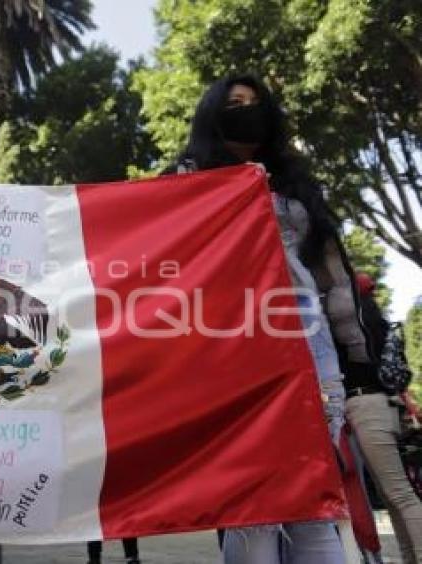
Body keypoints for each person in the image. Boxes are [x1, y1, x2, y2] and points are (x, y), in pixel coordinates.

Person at [165, 74, 374, 563]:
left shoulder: (296, 182)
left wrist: (357, 352)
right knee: (253, 507)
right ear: (213, 112)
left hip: (306, 340)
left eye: (256, 103)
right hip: (229, 351)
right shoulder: (185, 179)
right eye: (235, 103)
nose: (246, 110)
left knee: (315, 499)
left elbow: (333, 277)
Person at [350, 272, 422, 562]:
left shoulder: (351, 330)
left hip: (366, 407)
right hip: (386, 406)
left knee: (399, 494)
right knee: (393, 496)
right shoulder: (378, 324)